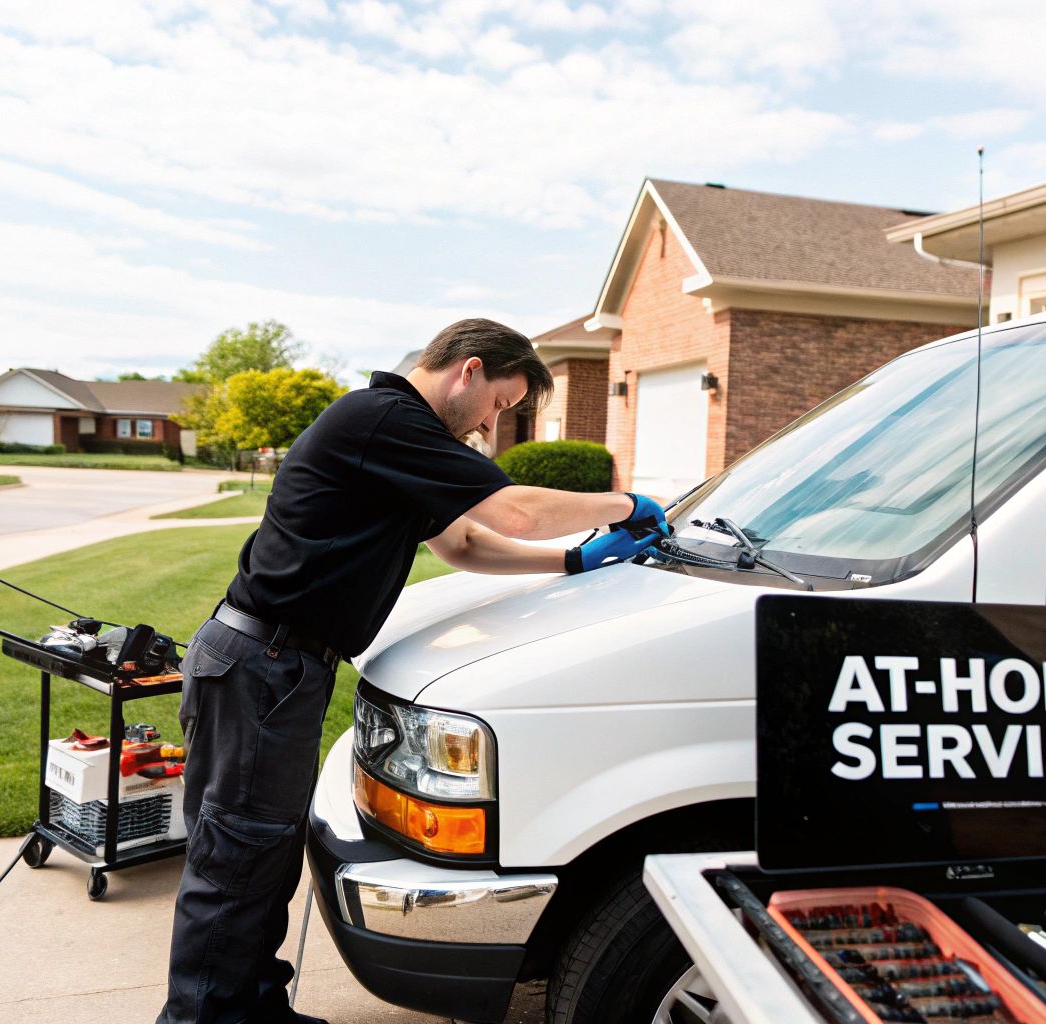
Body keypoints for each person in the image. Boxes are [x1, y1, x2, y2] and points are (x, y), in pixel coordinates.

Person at [157, 318, 669, 1024]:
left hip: (278, 669)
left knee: (264, 856)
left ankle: (254, 1008)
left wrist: (573, 560)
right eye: (500, 402)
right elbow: (513, 513)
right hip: (261, 663)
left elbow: (462, 542)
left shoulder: (400, 442)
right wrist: (627, 505)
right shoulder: (385, 420)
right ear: (470, 370)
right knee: (236, 857)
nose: (494, 423)